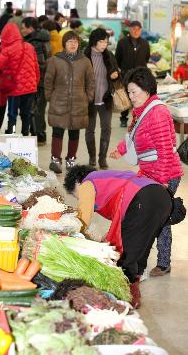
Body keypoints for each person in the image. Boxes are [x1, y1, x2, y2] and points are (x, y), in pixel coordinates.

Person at [64, 165, 172, 308]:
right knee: (140, 250)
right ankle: (133, 294)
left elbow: (84, 216)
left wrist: (72, 233)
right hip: (161, 198)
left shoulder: (86, 183)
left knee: (124, 254)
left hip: (143, 199)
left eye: (74, 194)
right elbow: (124, 216)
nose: (78, 197)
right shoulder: (109, 178)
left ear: (77, 183)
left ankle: (127, 297)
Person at [110, 67, 183, 277]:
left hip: (165, 174)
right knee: (151, 216)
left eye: (134, 92)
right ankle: (141, 261)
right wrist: (120, 149)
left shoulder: (158, 113)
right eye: (129, 92)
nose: (131, 97)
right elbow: (134, 133)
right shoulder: (142, 109)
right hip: (148, 172)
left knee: (159, 219)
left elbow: (164, 151)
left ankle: (163, 262)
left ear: (147, 89)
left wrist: (161, 183)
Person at [44, 31, 95, 173]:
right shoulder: (55, 60)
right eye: (70, 41)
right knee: (57, 132)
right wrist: (50, 97)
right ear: (64, 44)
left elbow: (91, 82)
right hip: (58, 101)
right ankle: (56, 160)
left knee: (74, 133)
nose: (73, 44)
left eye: (75, 41)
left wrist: (88, 97)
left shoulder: (85, 61)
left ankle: (71, 159)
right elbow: (48, 81)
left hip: (79, 103)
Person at [84, 28, 120, 169]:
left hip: (106, 99)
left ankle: (102, 158)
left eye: (106, 41)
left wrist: (114, 76)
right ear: (94, 41)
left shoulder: (109, 55)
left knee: (106, 128)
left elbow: (117, 74)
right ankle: (92, 158)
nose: (105, 44)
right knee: (89, 130)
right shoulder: (85, 56)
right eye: (102, 41)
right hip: (89, 100)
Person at [21, 17, 50, 145]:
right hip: (37, 80)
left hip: (38, 81)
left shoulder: (36, 43)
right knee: (36, 110)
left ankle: (39, 136)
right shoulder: (38, 40)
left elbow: (40, 64)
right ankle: (37, 135)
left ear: (31, 28)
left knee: (37, 110)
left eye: (23, 27)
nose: (22, 30)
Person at [115, 20, 150, 127]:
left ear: (141, 30)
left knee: (139, 97)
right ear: (129, 30)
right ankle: (124, 118)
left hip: (140, 76)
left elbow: (146, 58)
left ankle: (138, 118)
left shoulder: (145, 43)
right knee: (127, 96)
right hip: (127, 75)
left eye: (138, 29)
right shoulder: (122, 42)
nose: (136, 31)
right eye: (133, 29)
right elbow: (117, 58)